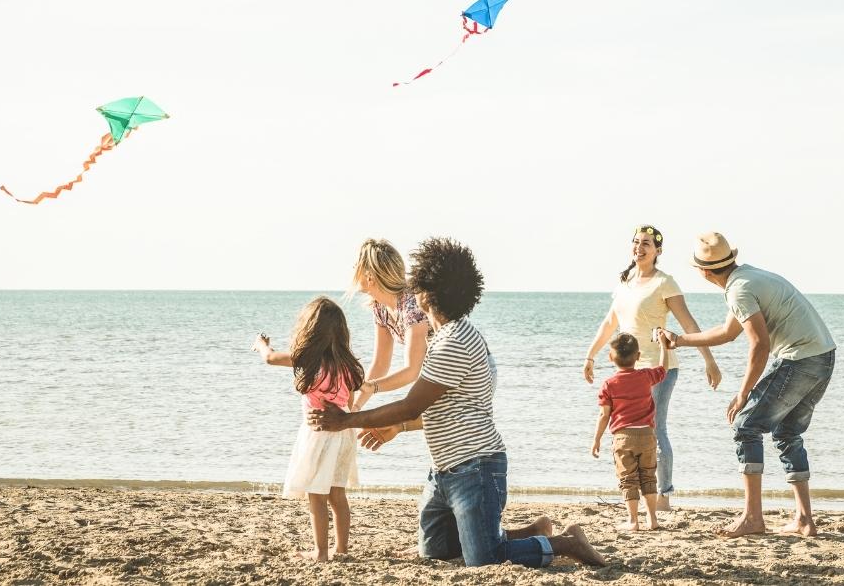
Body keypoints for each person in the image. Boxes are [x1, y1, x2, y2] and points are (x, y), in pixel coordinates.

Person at [310, 237, 605, 568]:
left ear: (425, 293)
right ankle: (531, 531)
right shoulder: (440, 336)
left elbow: (412, 405)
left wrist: (348, 419)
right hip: (444, 471)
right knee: (436, 552)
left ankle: (566, 543)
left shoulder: (452, 342)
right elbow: (433, 407)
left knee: (484, 558)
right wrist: (381, 414)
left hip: (475, 467)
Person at [660, 232, 836, 538]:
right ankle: (805, 520)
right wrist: (678, 340)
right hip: (823, 357)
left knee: (745, 425)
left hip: (801, 359)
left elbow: (759, 345)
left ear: (703, 271)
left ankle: (753, 518)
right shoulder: (745, 279)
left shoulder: (739, 290)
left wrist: (743, 393)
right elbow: (728, 333)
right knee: (787, 432)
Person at [583, 224, 722, 510]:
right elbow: (610, 323)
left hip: (659, 368)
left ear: (658, 251)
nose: (639, 247)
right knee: (628, 430)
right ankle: (638, 493)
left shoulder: (664, 283)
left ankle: (663, 497)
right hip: (628, 371)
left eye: (646, 243)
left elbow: (688, 324)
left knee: (655, 429)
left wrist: (709, 359)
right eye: (636, 242)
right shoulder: (624, 281)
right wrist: (590, 355)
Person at [251, 296, 365, 561]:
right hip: (344, 433)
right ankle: (342, 549)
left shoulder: (308, 360)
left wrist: (261, 345)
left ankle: (321, 552)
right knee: (338, 493)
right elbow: (349, 403)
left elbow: (269, 359)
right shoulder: (347, 366)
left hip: (318, 434)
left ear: (310, 331)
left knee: (316, 493)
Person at [591, 331, 672, 531]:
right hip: (647, 435)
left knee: (628, 479)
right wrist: (663, 345)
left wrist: (596, 440)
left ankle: (633, 521)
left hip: (623, 438)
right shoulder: (645, 376)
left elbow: (604, 415)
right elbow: (663, 369)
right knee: (648, 476)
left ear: (611, 357)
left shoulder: (609, 385)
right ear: (638, 356)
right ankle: (652, 519)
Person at [348, 239, 431, 409]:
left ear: (370, 277)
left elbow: (411, 371)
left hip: (467, 369)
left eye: (357, 265)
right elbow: (380, 364)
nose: (353, 269)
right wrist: (354, 408)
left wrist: (373, 387)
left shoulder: (411, 305)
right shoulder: (380, 307)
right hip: (441, 373)